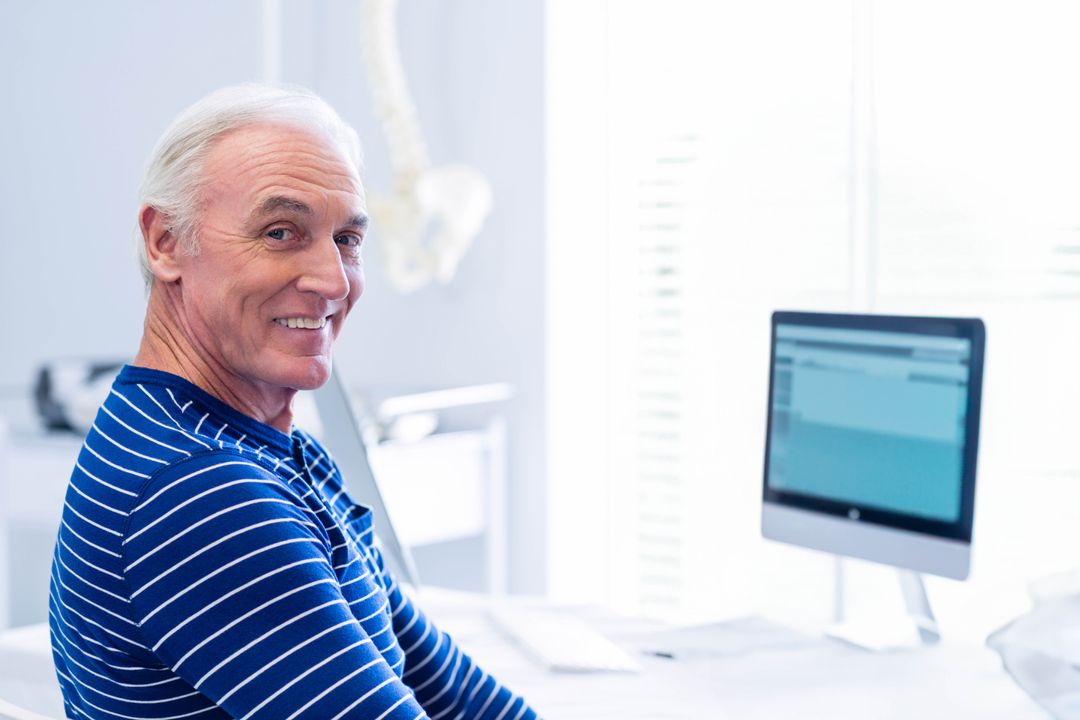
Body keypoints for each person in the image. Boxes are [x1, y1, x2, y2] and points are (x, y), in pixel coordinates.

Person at [48, 83, 539, 720]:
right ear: (165, 241)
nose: (333, 280)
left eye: (348, 239)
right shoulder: (203, 493)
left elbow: (441, 681)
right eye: (280, 232)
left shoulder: (267, 449)